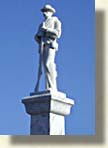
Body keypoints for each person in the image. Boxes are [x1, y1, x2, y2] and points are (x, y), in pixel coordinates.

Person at [34, 4, 62, 92]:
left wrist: (46, 30)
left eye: (46, 11)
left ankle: (53, 86)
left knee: (48, 64)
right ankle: (48, 86)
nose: (44, 13)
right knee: (44, 67)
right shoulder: (41, 24)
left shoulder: (55, 21)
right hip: (43, 45)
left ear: (51, 12)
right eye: (43, 11)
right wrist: (38, 36)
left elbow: (57, 34)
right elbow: (36, 37)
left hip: (51, 45)